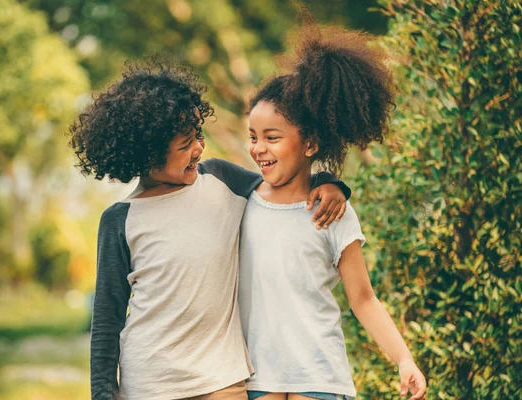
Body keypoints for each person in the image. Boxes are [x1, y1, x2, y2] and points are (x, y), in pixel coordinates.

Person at [68, 57, 351, 400]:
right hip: (149, 384)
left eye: (198, 135)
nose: (199, 148)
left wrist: (330, 183)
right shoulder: (119, 219)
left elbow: (286, 186)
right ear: (147, 155)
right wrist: (102, 392)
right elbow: (108, 317)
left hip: (222, 380)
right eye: (185, 145)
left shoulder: (221, 180)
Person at [238, 26, 427, 400]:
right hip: (255, 377)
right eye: (253, 136)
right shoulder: (240, 200)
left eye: (272, 137)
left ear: (310, 143)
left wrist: (404, 359)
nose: (259, 148)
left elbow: (363, 299)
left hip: (320, 377)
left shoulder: (333, 212)